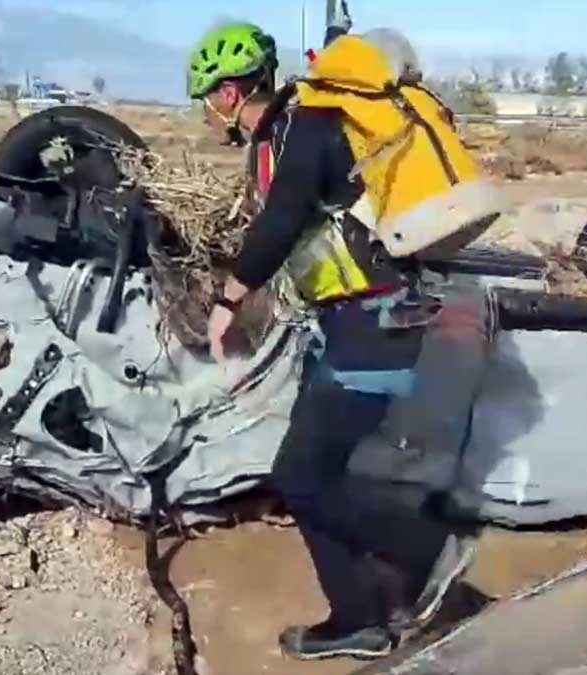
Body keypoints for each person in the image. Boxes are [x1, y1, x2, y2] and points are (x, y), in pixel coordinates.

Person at [187, 22, 477, 661]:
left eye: (205, 96)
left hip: (373, 324)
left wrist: (228, 302)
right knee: (308, 473)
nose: (204, 112)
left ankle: (427, 549)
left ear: (231, 93)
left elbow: (285, 218)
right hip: (350, 322)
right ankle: (359, 617)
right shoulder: (285, 134)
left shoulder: (306, 126)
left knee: (302, 475)